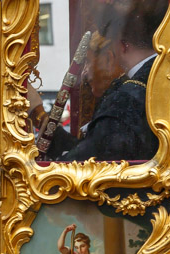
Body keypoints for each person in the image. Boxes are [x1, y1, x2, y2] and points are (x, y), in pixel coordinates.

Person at [46, 11, 160, 162]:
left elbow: (92, 157)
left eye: (88, 61)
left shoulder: (127, 97)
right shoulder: (160, 77)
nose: (85, 73)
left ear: (123, 46)